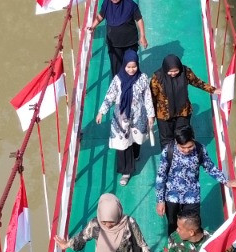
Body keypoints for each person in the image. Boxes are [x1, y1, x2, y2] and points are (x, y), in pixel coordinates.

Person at [96, 50, 156, 185]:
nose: (131, 69)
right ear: (124, 65)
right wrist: (101, 112)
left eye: (134, 66)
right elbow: (110, 96)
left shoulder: (143, 78)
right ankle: (126, 171)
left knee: (136, 139)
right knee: (123, 144)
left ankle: (136, 154)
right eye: (128, 67)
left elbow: (147, 98)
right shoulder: (118, 79)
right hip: (121, 116)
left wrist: (151, 115)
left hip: (138, 115)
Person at [154, 126, 228, 235]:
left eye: (189, 146)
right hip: (172, 197)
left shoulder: (200, 150)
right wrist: (160, 200)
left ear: (193, 140)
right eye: (182, 147)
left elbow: (210, 167)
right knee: (173, 225)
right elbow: (161, 176)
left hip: (192, 197)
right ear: (176, 142)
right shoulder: (168, 150)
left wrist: (225, 181)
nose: (186, 150)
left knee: (193, 226)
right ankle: (174, 247)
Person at [149, 53, 216, 143]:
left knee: (183, 136)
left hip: (183, 111)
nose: (173, 74)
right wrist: (151, 114)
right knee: (166, 139)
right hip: (164, 113)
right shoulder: (157, 77)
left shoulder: (185, 71)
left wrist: (213, 90)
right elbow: (152, 96)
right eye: (170, 71)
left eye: (175, 71)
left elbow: (197, 82)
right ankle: (169, 156)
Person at [90, 0, 148, 68]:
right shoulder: (107, 3)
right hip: (114, 44)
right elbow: (101, 16)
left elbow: (139, 19)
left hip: (130, 43)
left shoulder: (131, 5)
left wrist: (142, 36)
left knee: (131, 66)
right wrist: (93, 26)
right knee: (116, 67)